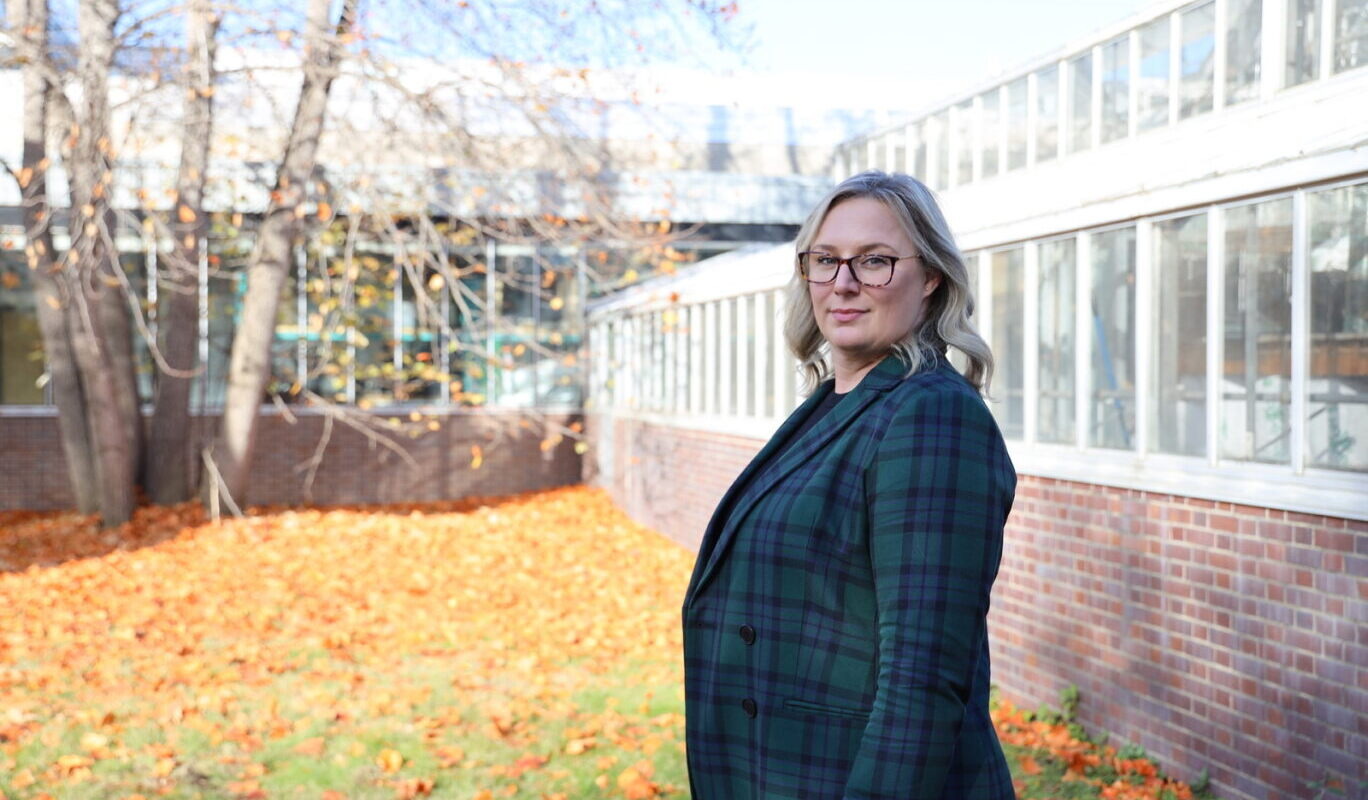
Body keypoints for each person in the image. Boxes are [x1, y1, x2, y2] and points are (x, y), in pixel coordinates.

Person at [680, 170, 1016, 800]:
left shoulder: (931, 415)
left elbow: (922, 677)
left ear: (932, 276)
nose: (843, 283)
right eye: (826, 260)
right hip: (778, 772)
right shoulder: (832, 405)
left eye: (875, 261)